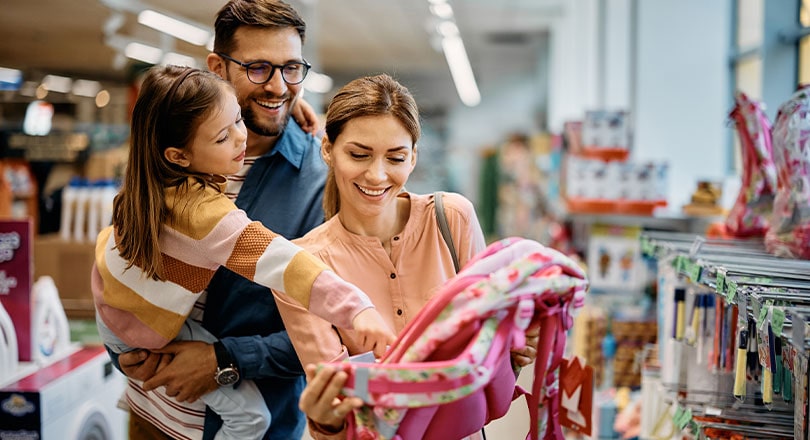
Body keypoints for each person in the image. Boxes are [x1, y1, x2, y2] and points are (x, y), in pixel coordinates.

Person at [93, 65, 395, 440]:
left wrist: (298, 113)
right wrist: (357, 308)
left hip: (114, 309)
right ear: (179, 155)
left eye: (238, 118)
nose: (241, 137)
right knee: (251, 418)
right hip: (144, 348)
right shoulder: (205, 214)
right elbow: (286, 264)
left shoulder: (146, 182)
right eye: (223, 136)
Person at [269, 73, 539, 439]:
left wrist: (511, 348)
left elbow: (485, 353)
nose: (377, 175)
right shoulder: (304, 266)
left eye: (395, 157)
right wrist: (325, 420)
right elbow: (339, 414)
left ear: (413, 157)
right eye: (358, 154)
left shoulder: (452, 218)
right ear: (328, 149)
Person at [112, 2, 332, 439]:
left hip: (251, 423)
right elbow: (124, 261)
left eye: (291, 68)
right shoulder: (171, 153)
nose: (278, 87)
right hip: (152, 414)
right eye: (258, 69)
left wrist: (226, 361)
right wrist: (119, 347)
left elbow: (335, 330)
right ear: (217, 66)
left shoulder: (320, 180)